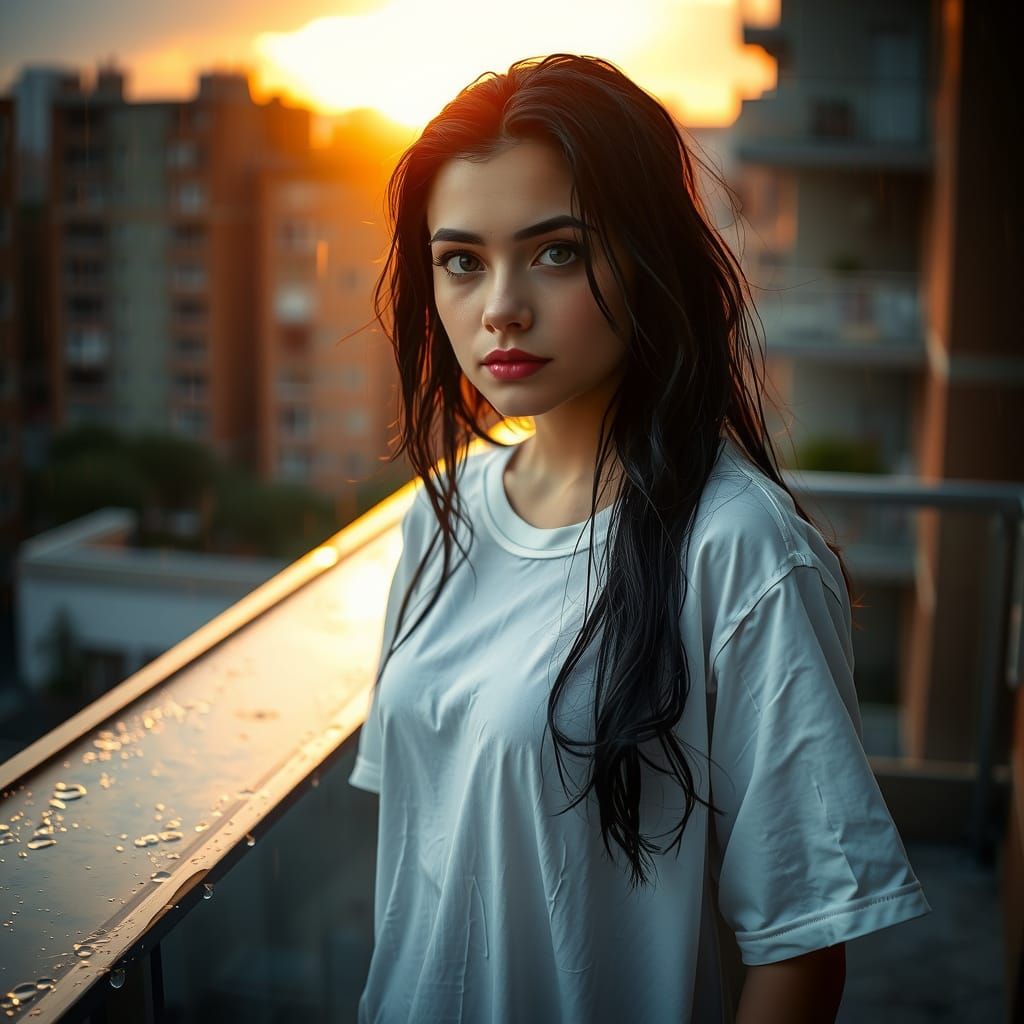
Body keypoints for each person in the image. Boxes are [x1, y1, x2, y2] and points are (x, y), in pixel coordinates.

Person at [347, 53, 930, 1023]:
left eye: (556, 251)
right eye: (461, 260)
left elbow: (799, 949)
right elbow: (427, 856)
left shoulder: (738, 550)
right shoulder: (436, 516)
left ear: (647, 258)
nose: (499, 306)